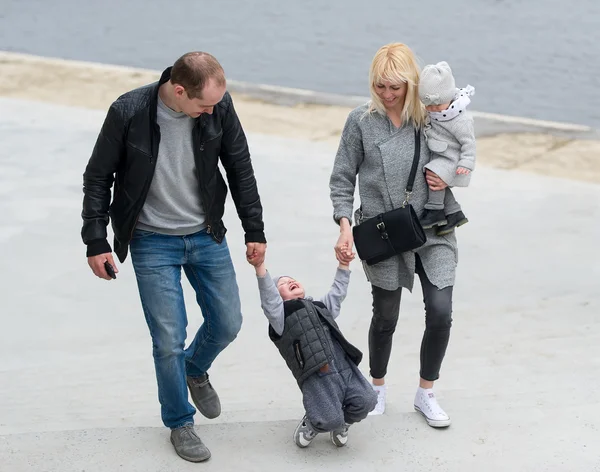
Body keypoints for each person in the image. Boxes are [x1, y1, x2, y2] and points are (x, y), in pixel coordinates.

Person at [81, 51, 267, 462]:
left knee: (229, 322)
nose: (211, 111)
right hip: (151, 241)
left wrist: (254, 229)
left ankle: (194, 368)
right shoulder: (128, 111)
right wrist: (96, 240)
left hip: (206, 234)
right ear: (179, 91)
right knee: (167, 340)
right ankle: (180, 422)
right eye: (203, 105)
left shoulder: (219, 106)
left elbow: (239, 166)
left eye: (216, 103)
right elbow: (98, 177)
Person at [329, 43, 460, 428]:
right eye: (380, 86)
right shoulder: (361, 121)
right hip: (384, 232)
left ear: (412, 84)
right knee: (385, 315)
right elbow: (341, 178)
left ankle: (426, 393)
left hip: (433, 227)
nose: (387, 94)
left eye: (396, 87)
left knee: (440, 312)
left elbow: (462, 158)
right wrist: (343, 225)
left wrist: (448, 175)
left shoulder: (431, 117)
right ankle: (378, 387)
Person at [250, 247, 377, 448]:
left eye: (291, 279)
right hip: (318, 373)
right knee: (326, 418)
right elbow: (268, 297)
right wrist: (260, 266)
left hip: (344, 366)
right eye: (282, 284)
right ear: (277, 295)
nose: (289, 281)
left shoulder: (320, 306)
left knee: (367, 400)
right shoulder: (281, 316)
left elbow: (337, 293)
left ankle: (343, 423)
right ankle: (313, 422)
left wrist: (344, 265)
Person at [418, 60, 475, 233]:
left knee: (433, 172)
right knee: (434, 177)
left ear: (449, 98)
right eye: (429, 106)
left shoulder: (460, 120)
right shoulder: (436, 111)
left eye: (437, 105)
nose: (433, 109)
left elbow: (469, 143)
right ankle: (453, 213)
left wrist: (466, 162)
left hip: (452, 159)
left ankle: (435, 210)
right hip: (440, 153)